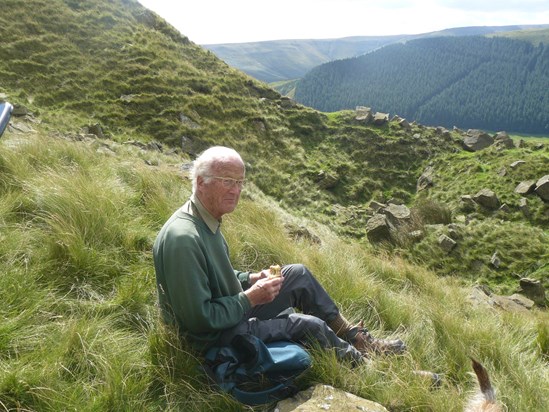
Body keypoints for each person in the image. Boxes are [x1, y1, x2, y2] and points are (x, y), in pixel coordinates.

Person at [153, 146, 406, 364]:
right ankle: (365, 367)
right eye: (227, 181)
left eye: (240, 182)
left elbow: (212, 277)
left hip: (229, 316)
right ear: (200, 181)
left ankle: (355, 338)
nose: (236, 190)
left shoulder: (205, 218)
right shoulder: (184, 239)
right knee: (309, 325)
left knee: (297, 275)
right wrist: (251, 298)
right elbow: (200, 321)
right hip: (215, 340)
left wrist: (250, 278)